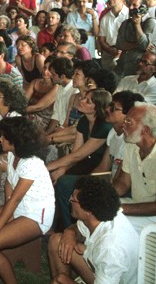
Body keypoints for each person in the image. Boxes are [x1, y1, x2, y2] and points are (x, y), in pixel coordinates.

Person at [0, 117, 55, 282]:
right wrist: (5, 212)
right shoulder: (13, 155)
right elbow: (9, 184)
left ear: (15, 141)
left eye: (4, 136)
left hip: (35, 216)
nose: (0, 139)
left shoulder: (32, 164)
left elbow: (14, 200)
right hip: (18, 207)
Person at [48, 176, 139, 284]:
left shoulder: (111, 247)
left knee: (60, 280)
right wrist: (70, 232)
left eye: (73, 199)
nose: (70, 201)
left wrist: (64, 280)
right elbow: (79, 229)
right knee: (57, 241)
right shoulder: (99, 215)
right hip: (101, 271)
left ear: (88, 210)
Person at [48, 89, 114, 228]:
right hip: (84, 165)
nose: (81, 101)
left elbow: (78, 155)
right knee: (56, 176)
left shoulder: (104, 126)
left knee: (64, 181)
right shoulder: (84, 120)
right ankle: (57, 224)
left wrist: (49, 166)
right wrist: (63, 168)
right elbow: (75, 152)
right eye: (83, 97)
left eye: (88, 101)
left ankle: (67, 227)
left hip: (97, 171)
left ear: (98, 108)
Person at [113, 102, 156, 233]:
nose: (123, 125)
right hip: (135, 204)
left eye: (128, 122)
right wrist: (101, 197)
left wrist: (117, 208)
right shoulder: (132, 145)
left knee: (111, 222)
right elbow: (123, 184)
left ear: (146, 130)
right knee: (93, 211)